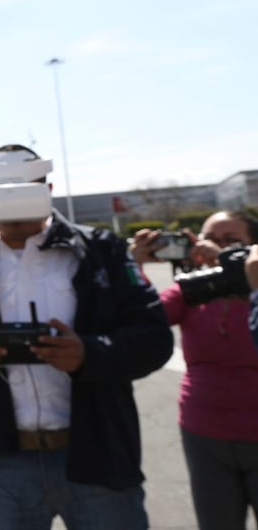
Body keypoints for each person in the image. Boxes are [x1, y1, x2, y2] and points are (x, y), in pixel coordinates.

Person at [0, 144, 174, 530]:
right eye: (0, 193)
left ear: (48, 189)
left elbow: (155, 338)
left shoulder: (100, 250)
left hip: (96, 455)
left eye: (24, 190)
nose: (13, 205)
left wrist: (89, 354)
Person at [129, 210, 258, 530]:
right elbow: (143, 317)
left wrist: (244, 275)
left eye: (231, 242)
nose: (218, 247)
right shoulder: (195, 289)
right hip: (204, 432)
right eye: (210, 239)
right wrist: (132, 267)